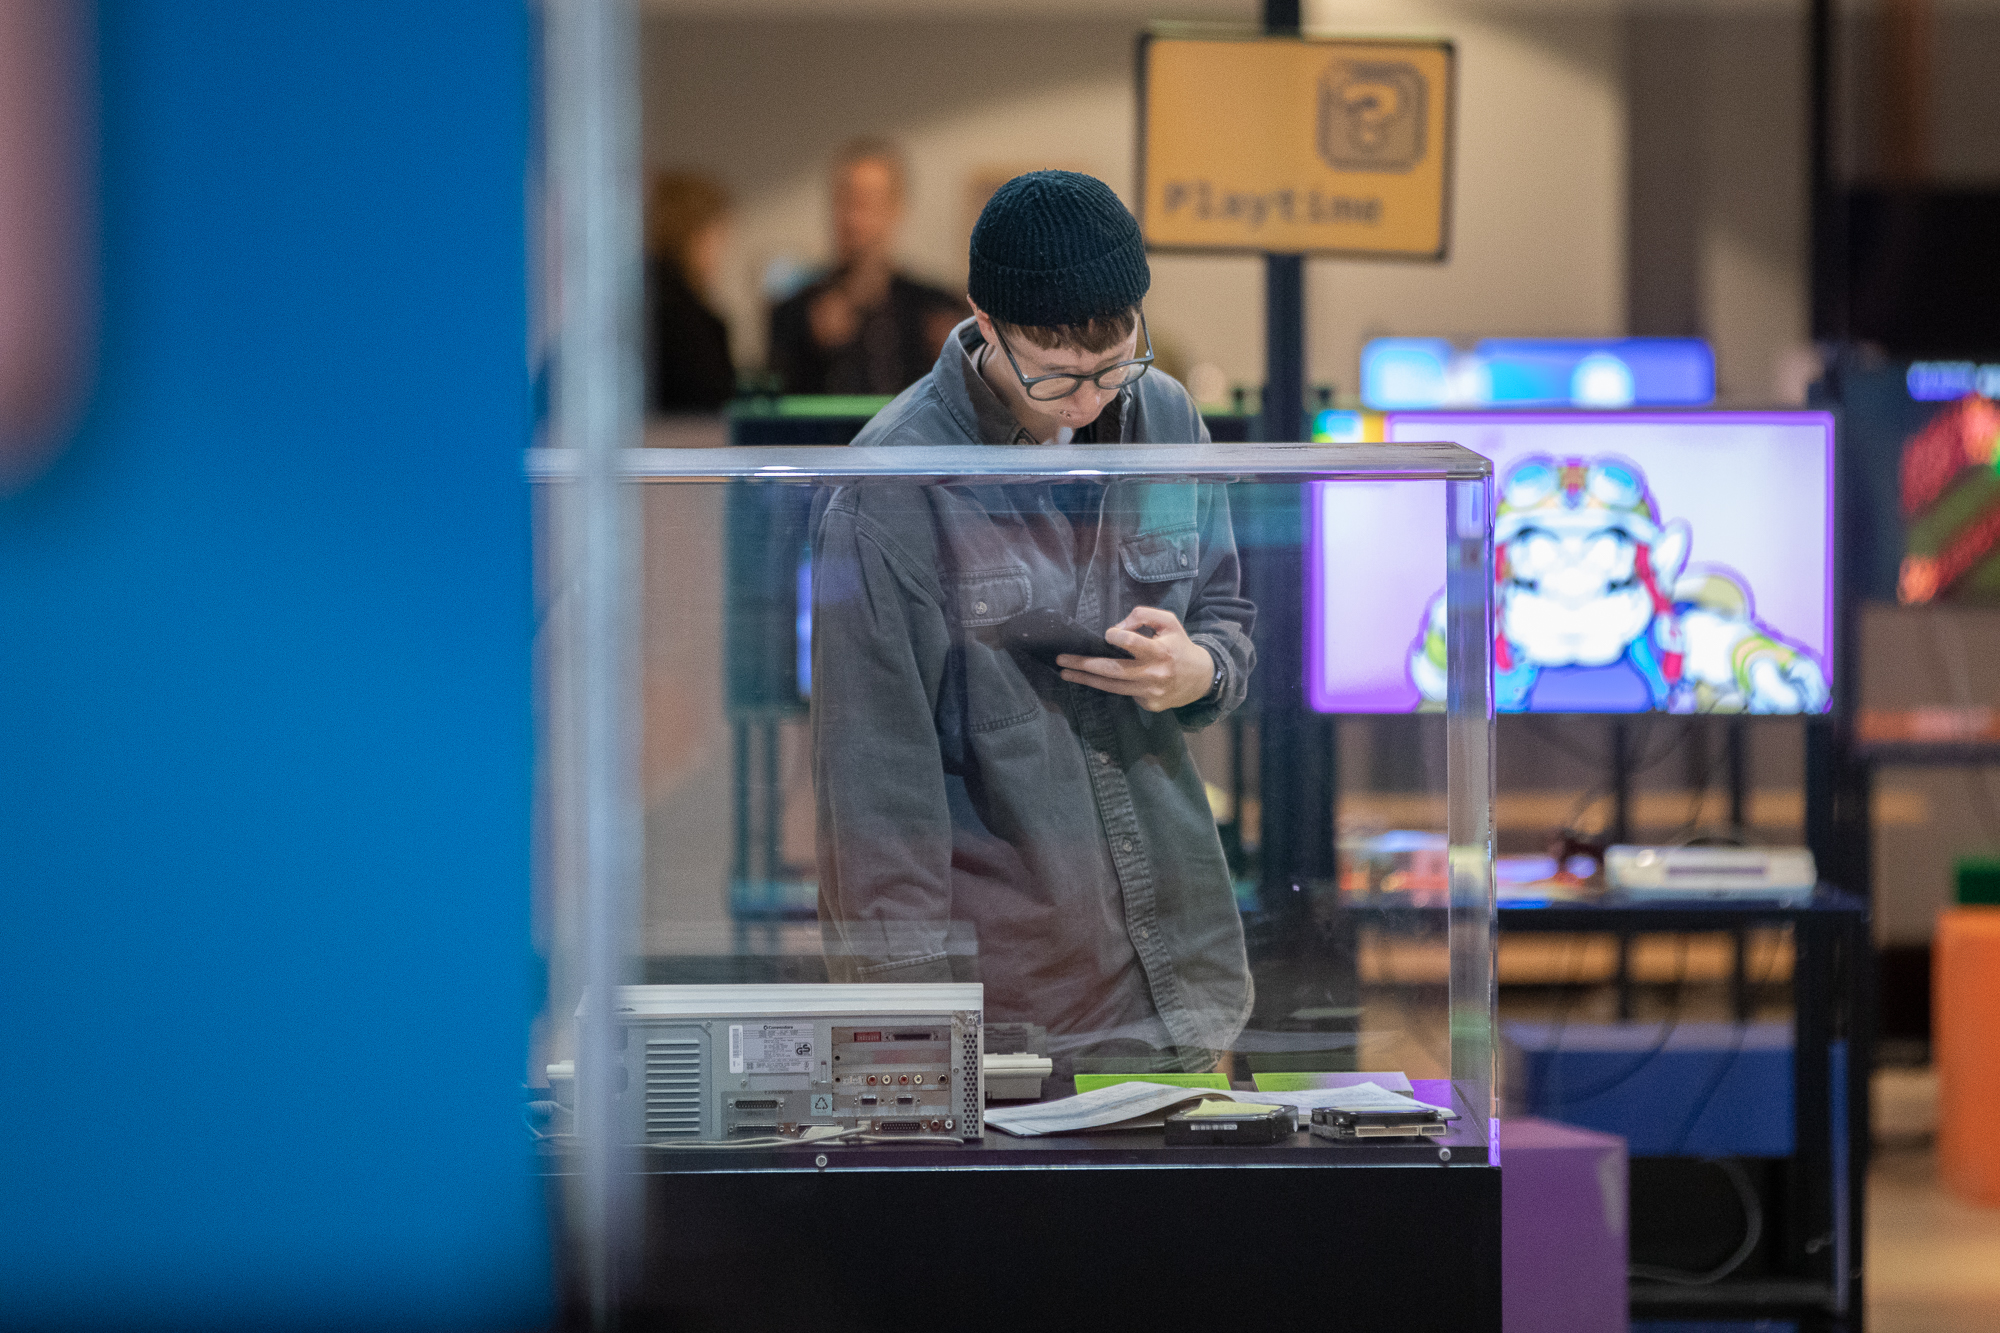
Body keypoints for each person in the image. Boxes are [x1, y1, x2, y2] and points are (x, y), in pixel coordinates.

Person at [809, 170, 1256, 1075]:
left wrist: (1200, 671)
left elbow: (1227, 611)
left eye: (1114, 362)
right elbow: (874, 795)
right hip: (1012, 1006)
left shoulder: (1165, 414)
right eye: (1053, 376)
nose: (1089, 400)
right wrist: (912, 1044)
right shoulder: (891, 486)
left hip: (1185, 974)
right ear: (982, 321)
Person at [767, 140, 966, 396]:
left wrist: (956, 362)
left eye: (865, 203)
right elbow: (773, 413)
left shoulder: (937, 309)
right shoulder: (794, 314)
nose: (851, 218)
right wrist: (813, 352)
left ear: (896, 208)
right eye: (843, 201)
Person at [644, 170, 735, 412]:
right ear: (696, 235)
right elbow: (711, 405)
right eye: (719, 236)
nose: (721, 252)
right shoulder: (688, 321)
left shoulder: (630, 293)